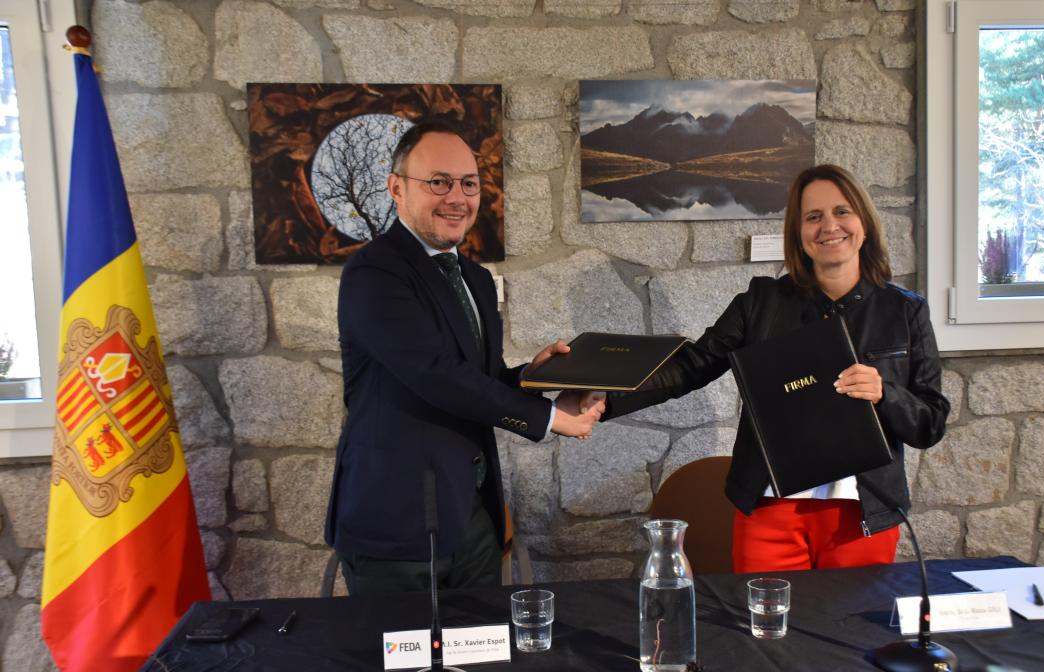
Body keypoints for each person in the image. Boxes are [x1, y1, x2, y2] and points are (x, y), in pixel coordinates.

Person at [587, 164, 949, 573]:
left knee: (853, 633)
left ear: (864, 222)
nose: (829, 226)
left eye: (842, 212)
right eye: (813, 217)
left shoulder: (905, 310)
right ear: (798, 233)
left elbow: (930, 423)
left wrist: (887, 392)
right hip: (769, 510)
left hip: (862, 515)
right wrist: (605, 400)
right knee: (764, 633)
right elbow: (691, 365)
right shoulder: (760, 302)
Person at [325, 118, 604, 595]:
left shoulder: (473, 278)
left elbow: (479, 379)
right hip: (395, 526)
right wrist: (548, 417)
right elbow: (435, 375)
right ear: (397, 188)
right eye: (438, 182)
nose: (457, 197)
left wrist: (530, 378)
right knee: (399, 671)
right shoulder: (373, 273)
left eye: (469, 183)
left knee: (482, 664)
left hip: (473, 517)